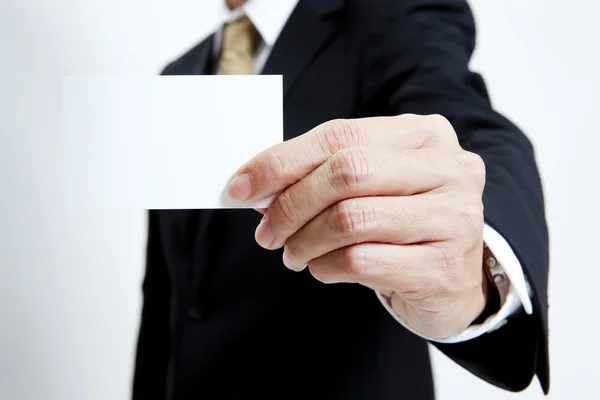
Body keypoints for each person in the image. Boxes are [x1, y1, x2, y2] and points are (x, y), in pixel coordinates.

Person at [132, 0, 549, 398]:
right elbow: (165, 294)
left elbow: (476, 135)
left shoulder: (388, 14)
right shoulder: (177, 75)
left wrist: (475, 263)